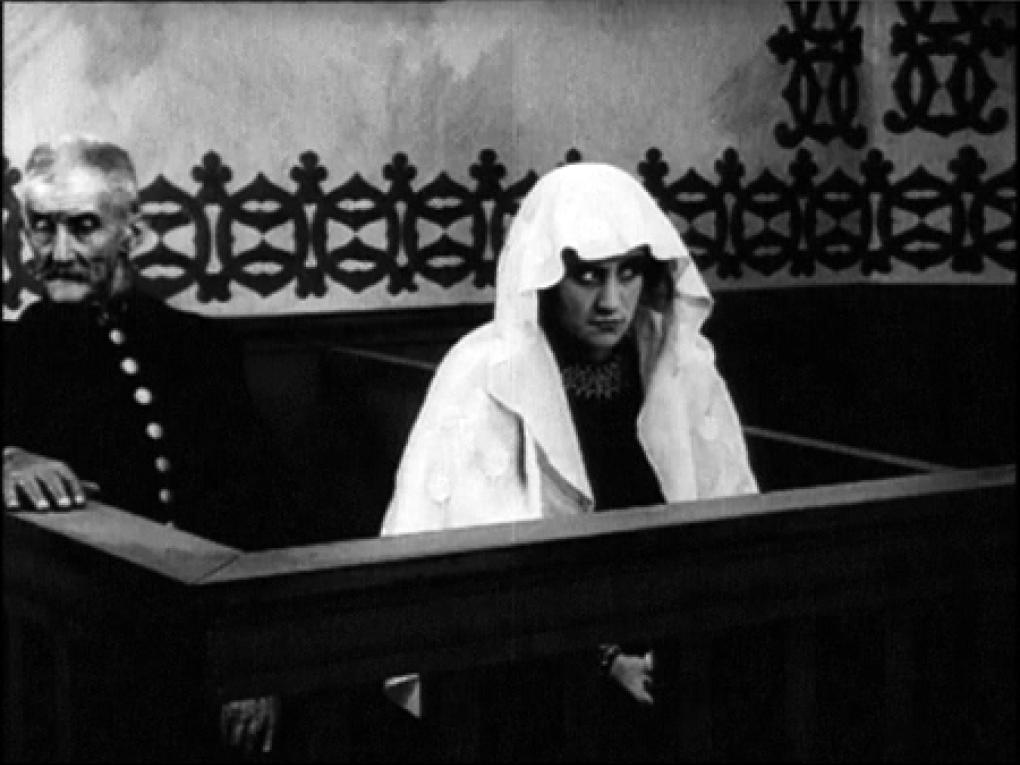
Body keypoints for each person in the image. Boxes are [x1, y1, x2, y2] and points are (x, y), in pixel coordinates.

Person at [380, 161, 758, 760]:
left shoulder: (679, 366)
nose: (611, 301)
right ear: (547, 277)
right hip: (533, 671)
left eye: (628, 273)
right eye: (587, 277)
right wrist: (603, 662)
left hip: (669, 656)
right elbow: (477, 578)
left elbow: (728, 534)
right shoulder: (483, 373)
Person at [2, 135, 297, 758]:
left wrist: (254, 665)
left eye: (84, 227)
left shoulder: (200, 349)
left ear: (131, 234)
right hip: (74, 678)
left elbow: (262, 511)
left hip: (204, 658)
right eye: (43, 227)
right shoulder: (13, 356)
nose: (59, 252)